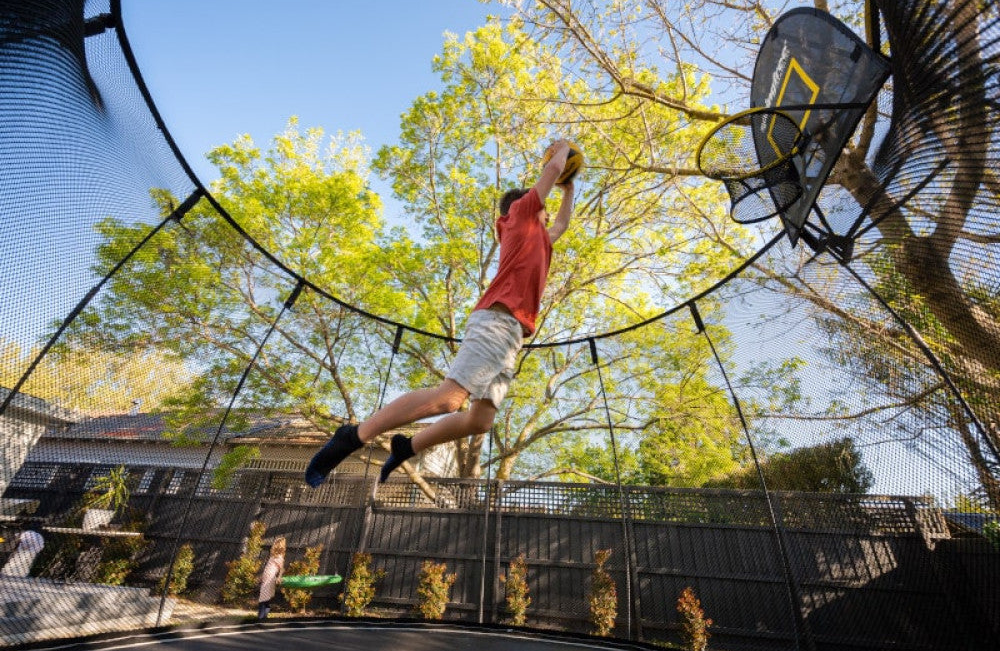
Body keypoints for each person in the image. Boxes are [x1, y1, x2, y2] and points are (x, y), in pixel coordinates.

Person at [305, 139, 577, 487]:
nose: (548, 214)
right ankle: (353, 435)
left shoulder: (540, 238)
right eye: (544, 206)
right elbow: (551, 170)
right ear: (525, 206)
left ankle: (407, 446)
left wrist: (569, 187)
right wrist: (564, 150)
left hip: (512, 338)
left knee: (480, 421)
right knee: (450, 399)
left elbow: (562, 225)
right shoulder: (520, 218)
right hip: (496, 321)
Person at [257, 537, 285, 620]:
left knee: (263, 598)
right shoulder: (273, 556)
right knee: (265, 597)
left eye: (274, 544)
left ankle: (261, 617)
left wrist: (279, 578)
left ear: (277, 547)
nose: (273, 545)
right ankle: (264, 617)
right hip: (266, 578)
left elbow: (282, 569)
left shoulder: (279, 557)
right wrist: (262, 577)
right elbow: (268, 568)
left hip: (270, 578)